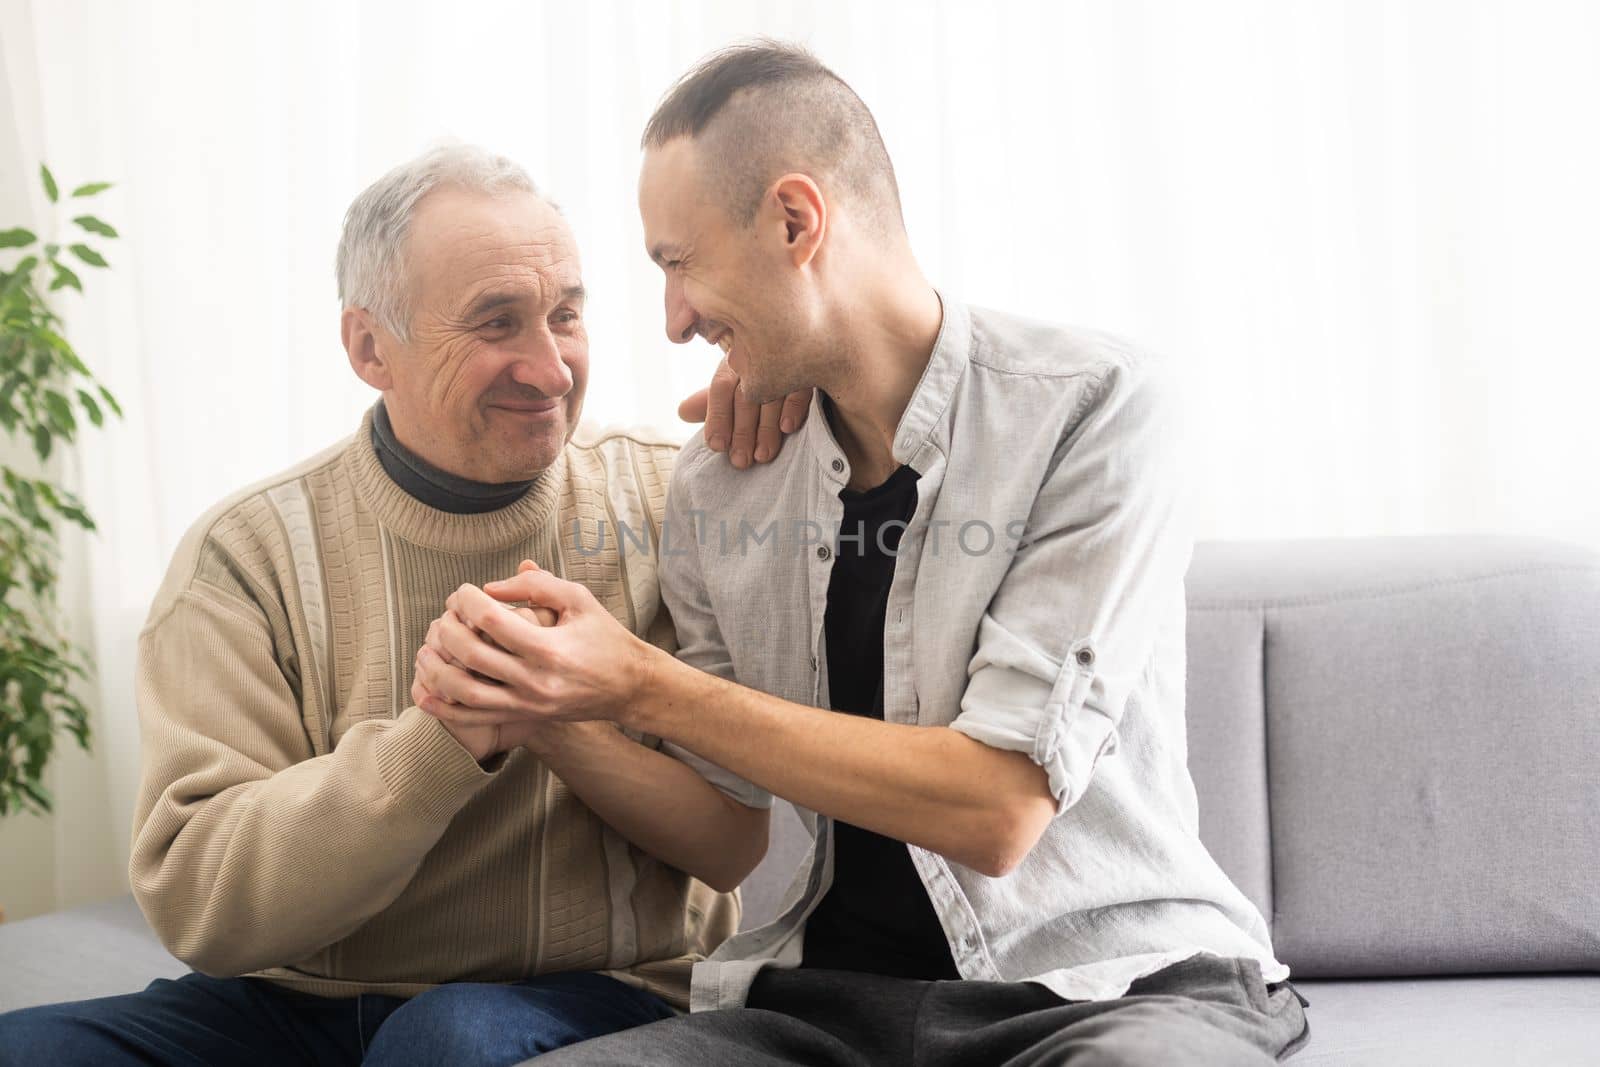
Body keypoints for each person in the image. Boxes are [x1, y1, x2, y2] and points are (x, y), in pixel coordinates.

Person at [414, 43, 1311, 1065]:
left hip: (1114, 988)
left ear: (796, 220)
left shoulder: (1093, 408)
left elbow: (997, 805)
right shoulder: (723, 485)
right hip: (831, 1006)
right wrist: (553, 705)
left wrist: (643, 684)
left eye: (678, 262)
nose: (672, 320)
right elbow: (725, 827)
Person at [0, 143, 805, 1067]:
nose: (550, 370)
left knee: (439, 1043)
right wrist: (442, 741)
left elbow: (734, 847)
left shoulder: (678, 501)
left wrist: (550, 713)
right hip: (285, 1006)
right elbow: (198, 898)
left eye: (567, 315)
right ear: (369, 347)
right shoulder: (243, 555)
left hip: (604, 995)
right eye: (497, 323)